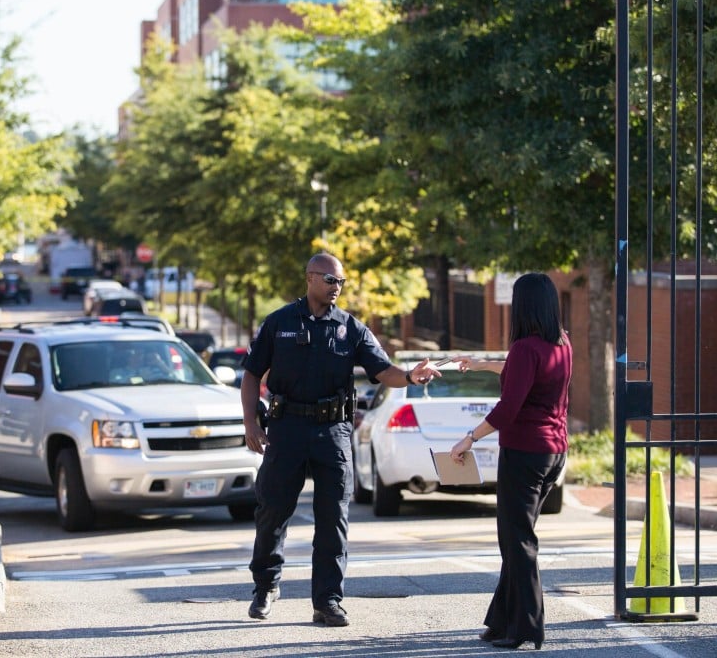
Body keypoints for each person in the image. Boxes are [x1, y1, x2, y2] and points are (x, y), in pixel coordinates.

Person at [241, 252, 441, 627]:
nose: (337, 288)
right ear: (311, 278)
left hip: (333, 432)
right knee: (273, 511)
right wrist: (251, 422)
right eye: (331, 280)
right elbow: (251, 374)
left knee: (334, 517)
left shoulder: (351, 328)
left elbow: (383, 371)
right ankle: (265, 586)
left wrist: (411, 377)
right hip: (286, 429)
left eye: (342, 282)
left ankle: (328, 601)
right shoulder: (280, 322)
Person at [449, 272, 571, 651]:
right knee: (517, 538)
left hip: (525, 453)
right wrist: (483, 364)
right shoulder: (561, 344)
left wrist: (468, 438)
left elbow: (508, 408)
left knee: (517, 541)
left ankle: (526, 628)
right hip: (554, 452)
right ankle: (501, 621)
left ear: (523, 306)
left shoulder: (525, 348)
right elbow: (524, 375)